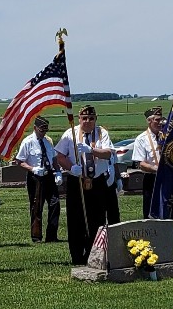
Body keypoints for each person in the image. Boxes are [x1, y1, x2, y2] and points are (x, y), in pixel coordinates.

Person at [54, 105, 114, 265]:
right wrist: (71, 167)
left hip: (97, 181)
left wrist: (91, 150)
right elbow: (60, 156)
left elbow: (108, 153)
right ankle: (77, 256)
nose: (87, 121)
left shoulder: (101, 133)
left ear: (96, 119)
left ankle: (95, 254)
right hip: (77, 181)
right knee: (76, 219)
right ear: (79, 119)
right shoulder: (70, 134)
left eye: (91, 118)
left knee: (98, 218)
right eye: (84, 118)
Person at [15, 116, 61, 243]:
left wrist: (57, 172)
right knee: (36, 206)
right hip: (35, 177)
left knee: (55, 203)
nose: (44, 133)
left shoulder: (48, 141)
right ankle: (36, 236)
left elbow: (54, 159)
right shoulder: (28, 142)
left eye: (45, 130)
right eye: (41, 130)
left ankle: (52, 235)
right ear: (35, 128)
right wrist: (33, 169)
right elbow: (19, 161)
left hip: (49, 175)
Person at [131, 106, 173, 219]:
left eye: (161, 119)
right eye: (157, 120)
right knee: (151, 210)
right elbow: (141, 164)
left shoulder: (168, 137)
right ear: (149, 121)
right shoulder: (141, 139)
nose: (160, 122)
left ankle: (169, 225)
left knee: (170, 208)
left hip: (168, 178)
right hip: (152, 179)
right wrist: (157, 169)